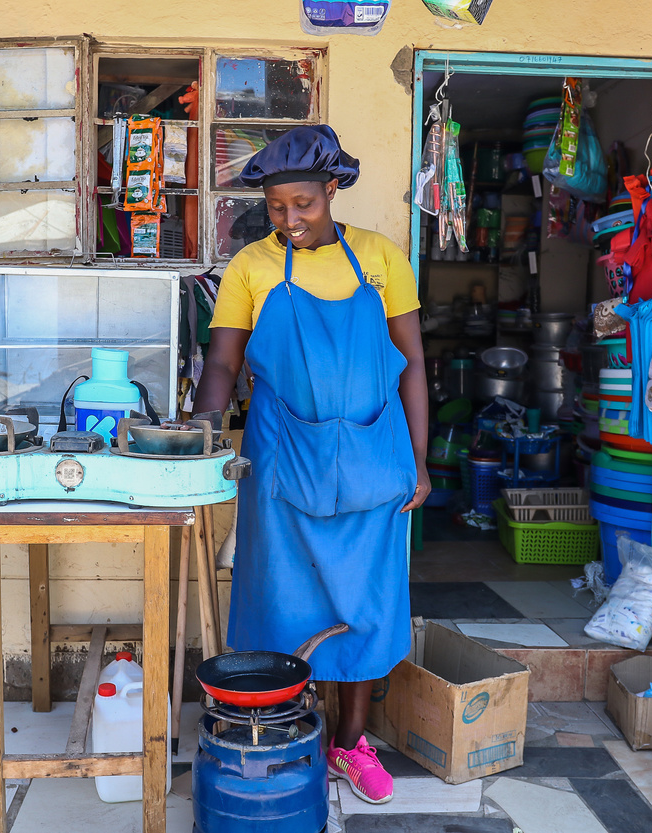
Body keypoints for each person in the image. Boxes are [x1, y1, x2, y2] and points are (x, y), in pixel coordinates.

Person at [191, 124, 430, 804]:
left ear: (332, 190)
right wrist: (204, 437)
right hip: (282, 465)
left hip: (373, 459)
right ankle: (285, 730)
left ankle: (351, 743)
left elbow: (412, 365)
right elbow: (222, 362)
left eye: (304, 203)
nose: (290, 219)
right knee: (281, 601)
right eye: (276, 207)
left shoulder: (382, 259)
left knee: (365, 603)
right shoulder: (251, 267)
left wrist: (420, 460)